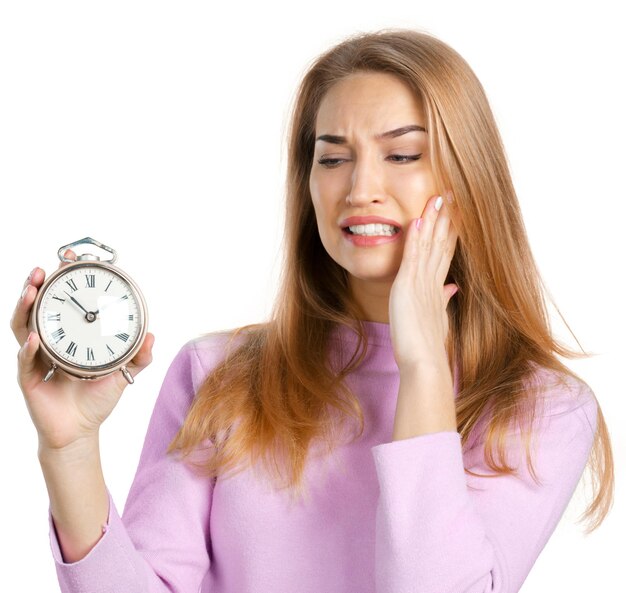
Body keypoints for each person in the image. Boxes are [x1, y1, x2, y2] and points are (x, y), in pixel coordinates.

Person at [11, 28, 614, 593]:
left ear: (469, 177)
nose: (358, 188)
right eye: (332, 158)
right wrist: (70, 450)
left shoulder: (541, 408)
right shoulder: (218, 373)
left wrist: (422, 365)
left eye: (402, 155)